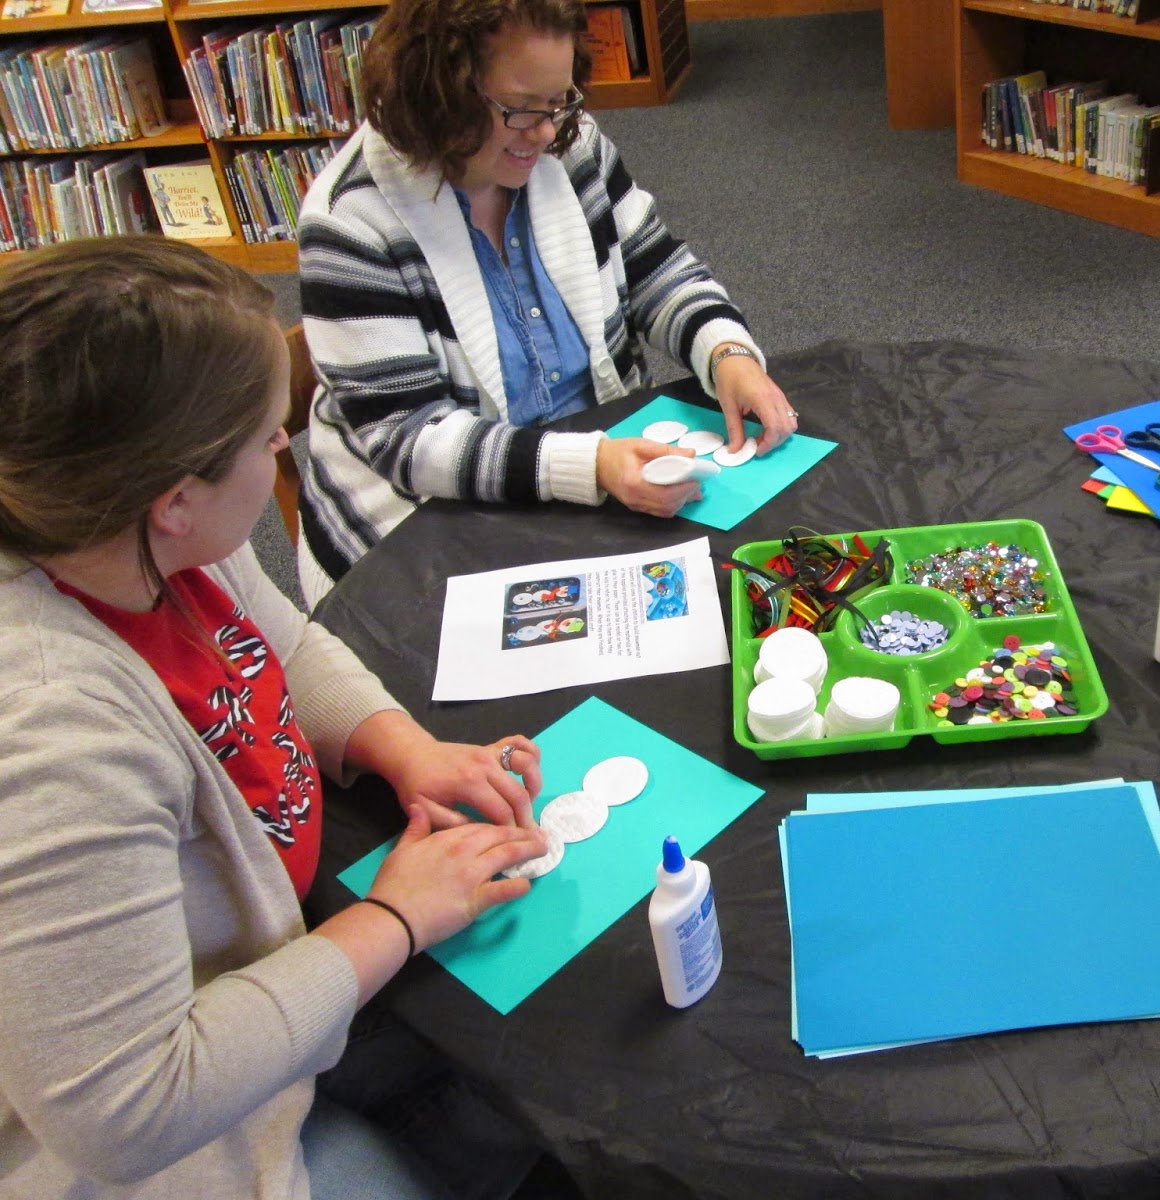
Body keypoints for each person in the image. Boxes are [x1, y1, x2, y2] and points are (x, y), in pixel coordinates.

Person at [0, 238, 552, 1200]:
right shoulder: (56, 739)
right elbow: (131, 1111)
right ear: (176, 500)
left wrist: (406, 749)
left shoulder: (130, 531)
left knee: (522, 1066)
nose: (284, 450)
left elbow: (278, 645)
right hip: (177, 1136)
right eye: (265, 438)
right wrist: (394, 916)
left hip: (276, 958)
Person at [295, 0, 796, 606]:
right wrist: (589, 465)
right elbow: (409, 439)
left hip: (598, 471)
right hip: (421, 522)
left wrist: (726, 352)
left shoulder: (569, 145)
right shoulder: (351, 221)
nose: (547, 132)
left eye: (560, 102)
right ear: (439, 95)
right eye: (519, 109)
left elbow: (654, 269)